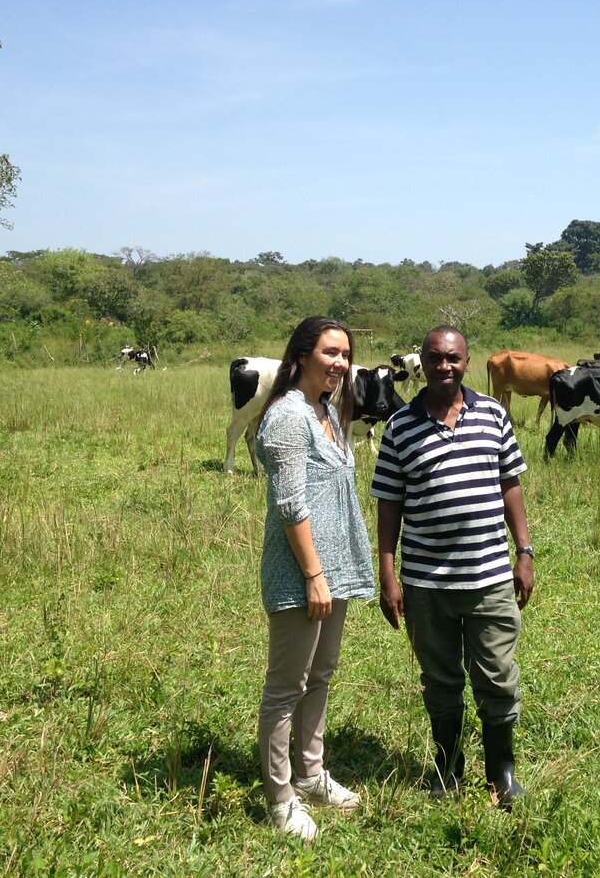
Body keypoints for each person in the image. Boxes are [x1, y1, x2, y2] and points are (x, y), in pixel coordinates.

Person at [371, 325, 534, 808]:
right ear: (422, 362)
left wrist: (523, 552)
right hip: (426, 583)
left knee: (498, 676)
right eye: (436, 358)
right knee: (440, 681)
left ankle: (501, 772)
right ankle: (447, 770)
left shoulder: (493, 415)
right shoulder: (400, 426)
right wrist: (388, 573)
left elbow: (510, 484)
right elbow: (388, 505)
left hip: (490, 578)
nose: (445, 366)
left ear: (467, 361)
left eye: (454, 358)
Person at [255, 317, 375, 840]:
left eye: (345, 354)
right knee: (286, 687)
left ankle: (310, 772)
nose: (340, 364)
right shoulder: (287, 416)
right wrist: (313, 575)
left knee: (320, 677)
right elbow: (291, 503)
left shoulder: (326, 411)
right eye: (330, 353)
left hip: (334, 571)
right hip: (301, 573)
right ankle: (280, 798)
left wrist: (332, 574)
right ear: (302, 355)